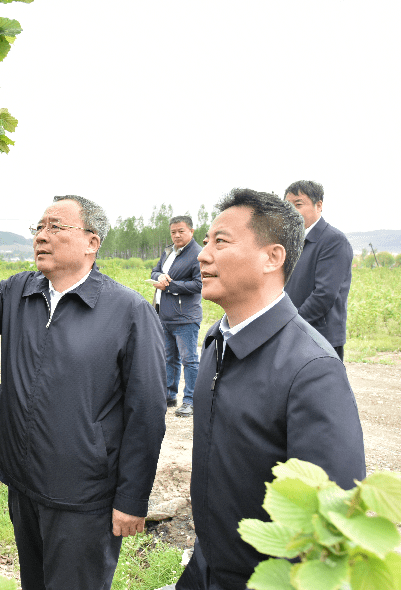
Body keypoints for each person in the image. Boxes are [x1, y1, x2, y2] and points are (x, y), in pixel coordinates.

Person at [0, 195, 167, 590]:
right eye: (39, 227)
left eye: (56, 226)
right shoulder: (21, 290)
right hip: (24, 483)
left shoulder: (129, 311)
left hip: (83, 497)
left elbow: (148, 413)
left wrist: (132, 499)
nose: (42, 236)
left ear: (92, 241)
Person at [174, 189, 365, 590]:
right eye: (205, 241)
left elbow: (333, 521)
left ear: (272, 257)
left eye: (220, 241)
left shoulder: (312, 370)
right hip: (205, 569)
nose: (203, 255)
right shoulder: (216, 341)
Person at [283, 180, 353, 360]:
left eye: (298, 204)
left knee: (322, 387)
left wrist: (292, 323)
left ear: (318, 205)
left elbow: (324, 294)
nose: (292, 211)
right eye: (288, 205)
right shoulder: (292, 242)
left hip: (320, 335)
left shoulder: (333, 241)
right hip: (294, 331)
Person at [150, 215, 203, 417]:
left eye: (181, 231)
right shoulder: (169, 251)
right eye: (173, 232)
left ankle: (190, 400)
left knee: (189, 360)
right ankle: (169, 395)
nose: (177, 235)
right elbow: (155, 271)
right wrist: (160, 277)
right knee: (169, 358)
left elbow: (199, 285)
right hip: (165, 315)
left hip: (185, 318)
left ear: (191, 231)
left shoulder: (197, 254)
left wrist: (170, 286)